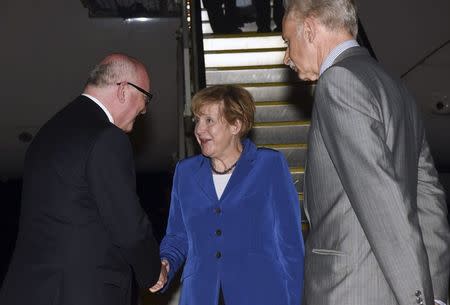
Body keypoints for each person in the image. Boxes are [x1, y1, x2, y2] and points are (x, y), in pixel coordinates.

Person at [282, 0, 450, 305]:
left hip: (350, 290)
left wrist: (418, 301)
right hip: (390, 288)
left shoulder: (337, 82)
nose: (286, 57)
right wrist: (433, 293)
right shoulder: (394, 86)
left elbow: (380, 197)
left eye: (287, 41)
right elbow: (428, 197)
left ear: (309, 29)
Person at [0, 53, 167, 305]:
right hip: (80, 293)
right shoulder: (107, 137)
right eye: (146, 97)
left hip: (29, 290)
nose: (144, 109)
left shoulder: (49, 131)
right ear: (123, 90)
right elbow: (128, 225)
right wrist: (153, 271)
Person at [157, 85, 304, 305]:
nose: (199, 129)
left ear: (236, 124)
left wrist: (294, 299)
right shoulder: (185, 172)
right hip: (201, 296)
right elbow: (178, 236)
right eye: (197, 120)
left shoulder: (269, 165)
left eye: (209, 120)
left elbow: (290, 244)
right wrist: (166, 262)